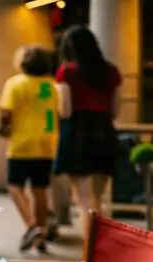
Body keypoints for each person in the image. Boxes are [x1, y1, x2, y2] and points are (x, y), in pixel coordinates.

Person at [55, 27, 121, 227]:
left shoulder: (67, 72)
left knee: (84, 198)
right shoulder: (111, 71)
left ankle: (92, 247)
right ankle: (98, 241)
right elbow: (115, 111)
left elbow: (65, 110)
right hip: (104, 130)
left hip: (77, 131)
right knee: (97, 197)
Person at [0, 46, 59, 252]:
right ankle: (39, 238)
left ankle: (33, 226)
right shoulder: (51, 86)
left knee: (15, 188)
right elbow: (53, 114)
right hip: (46, 143)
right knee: (40, 190)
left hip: (22, 143)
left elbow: (6, 113)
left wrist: (3, 128)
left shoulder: (16, 83)